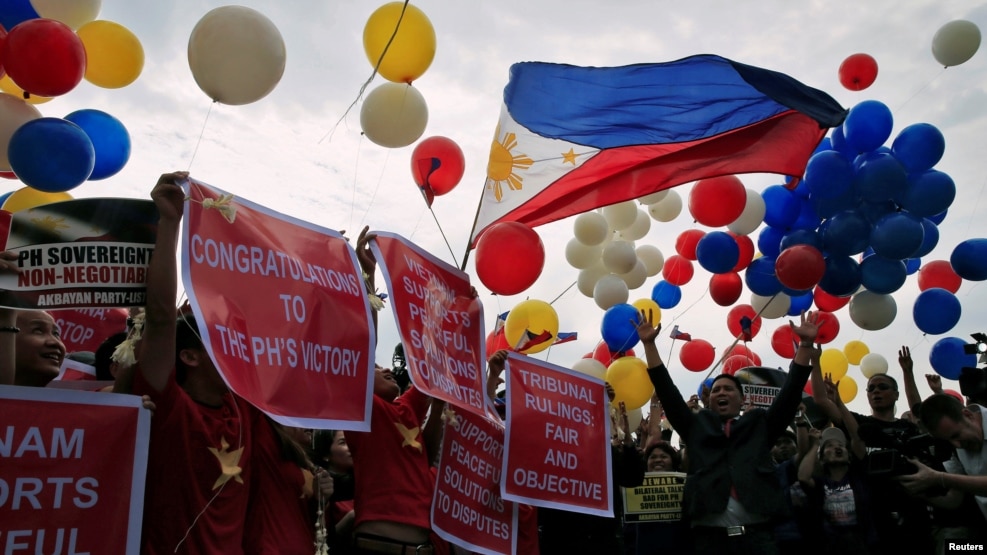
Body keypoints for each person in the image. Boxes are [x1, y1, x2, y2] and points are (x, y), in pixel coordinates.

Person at [127, 171, 263, 554]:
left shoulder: (243, 411)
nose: (238, 347)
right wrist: (170, 224)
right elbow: (159, 318)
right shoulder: (167, 404)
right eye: (222, 340)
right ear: (188, 356)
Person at [638, 309, 819, 555]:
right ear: (709, 400)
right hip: (710, 541)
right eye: (716, 390)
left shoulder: (759, 426)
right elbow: (667, 391)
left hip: (758, 540)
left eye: (728, 389)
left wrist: (806, 345)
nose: (721, 393)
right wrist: (649, 345)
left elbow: (790, 394)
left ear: (742, 399)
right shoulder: (696, 427)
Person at [901, 393, 987, 526]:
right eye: (948, 440)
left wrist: (939, 478)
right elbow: (955, 499)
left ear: (968, 415)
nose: (957, 445)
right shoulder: (955, 448)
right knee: (955, 548)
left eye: (956, 435)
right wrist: (919, 488)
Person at [798, 426, 877, 555]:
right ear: (822, 458)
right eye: (829, 446)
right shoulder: (820, 484)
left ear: (849, 456)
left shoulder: (860, 479)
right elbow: (803, 477)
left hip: (862, 544)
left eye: (841, 445)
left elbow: (858, 441)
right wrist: (814, 446)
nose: (837, 447)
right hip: (830, 546)